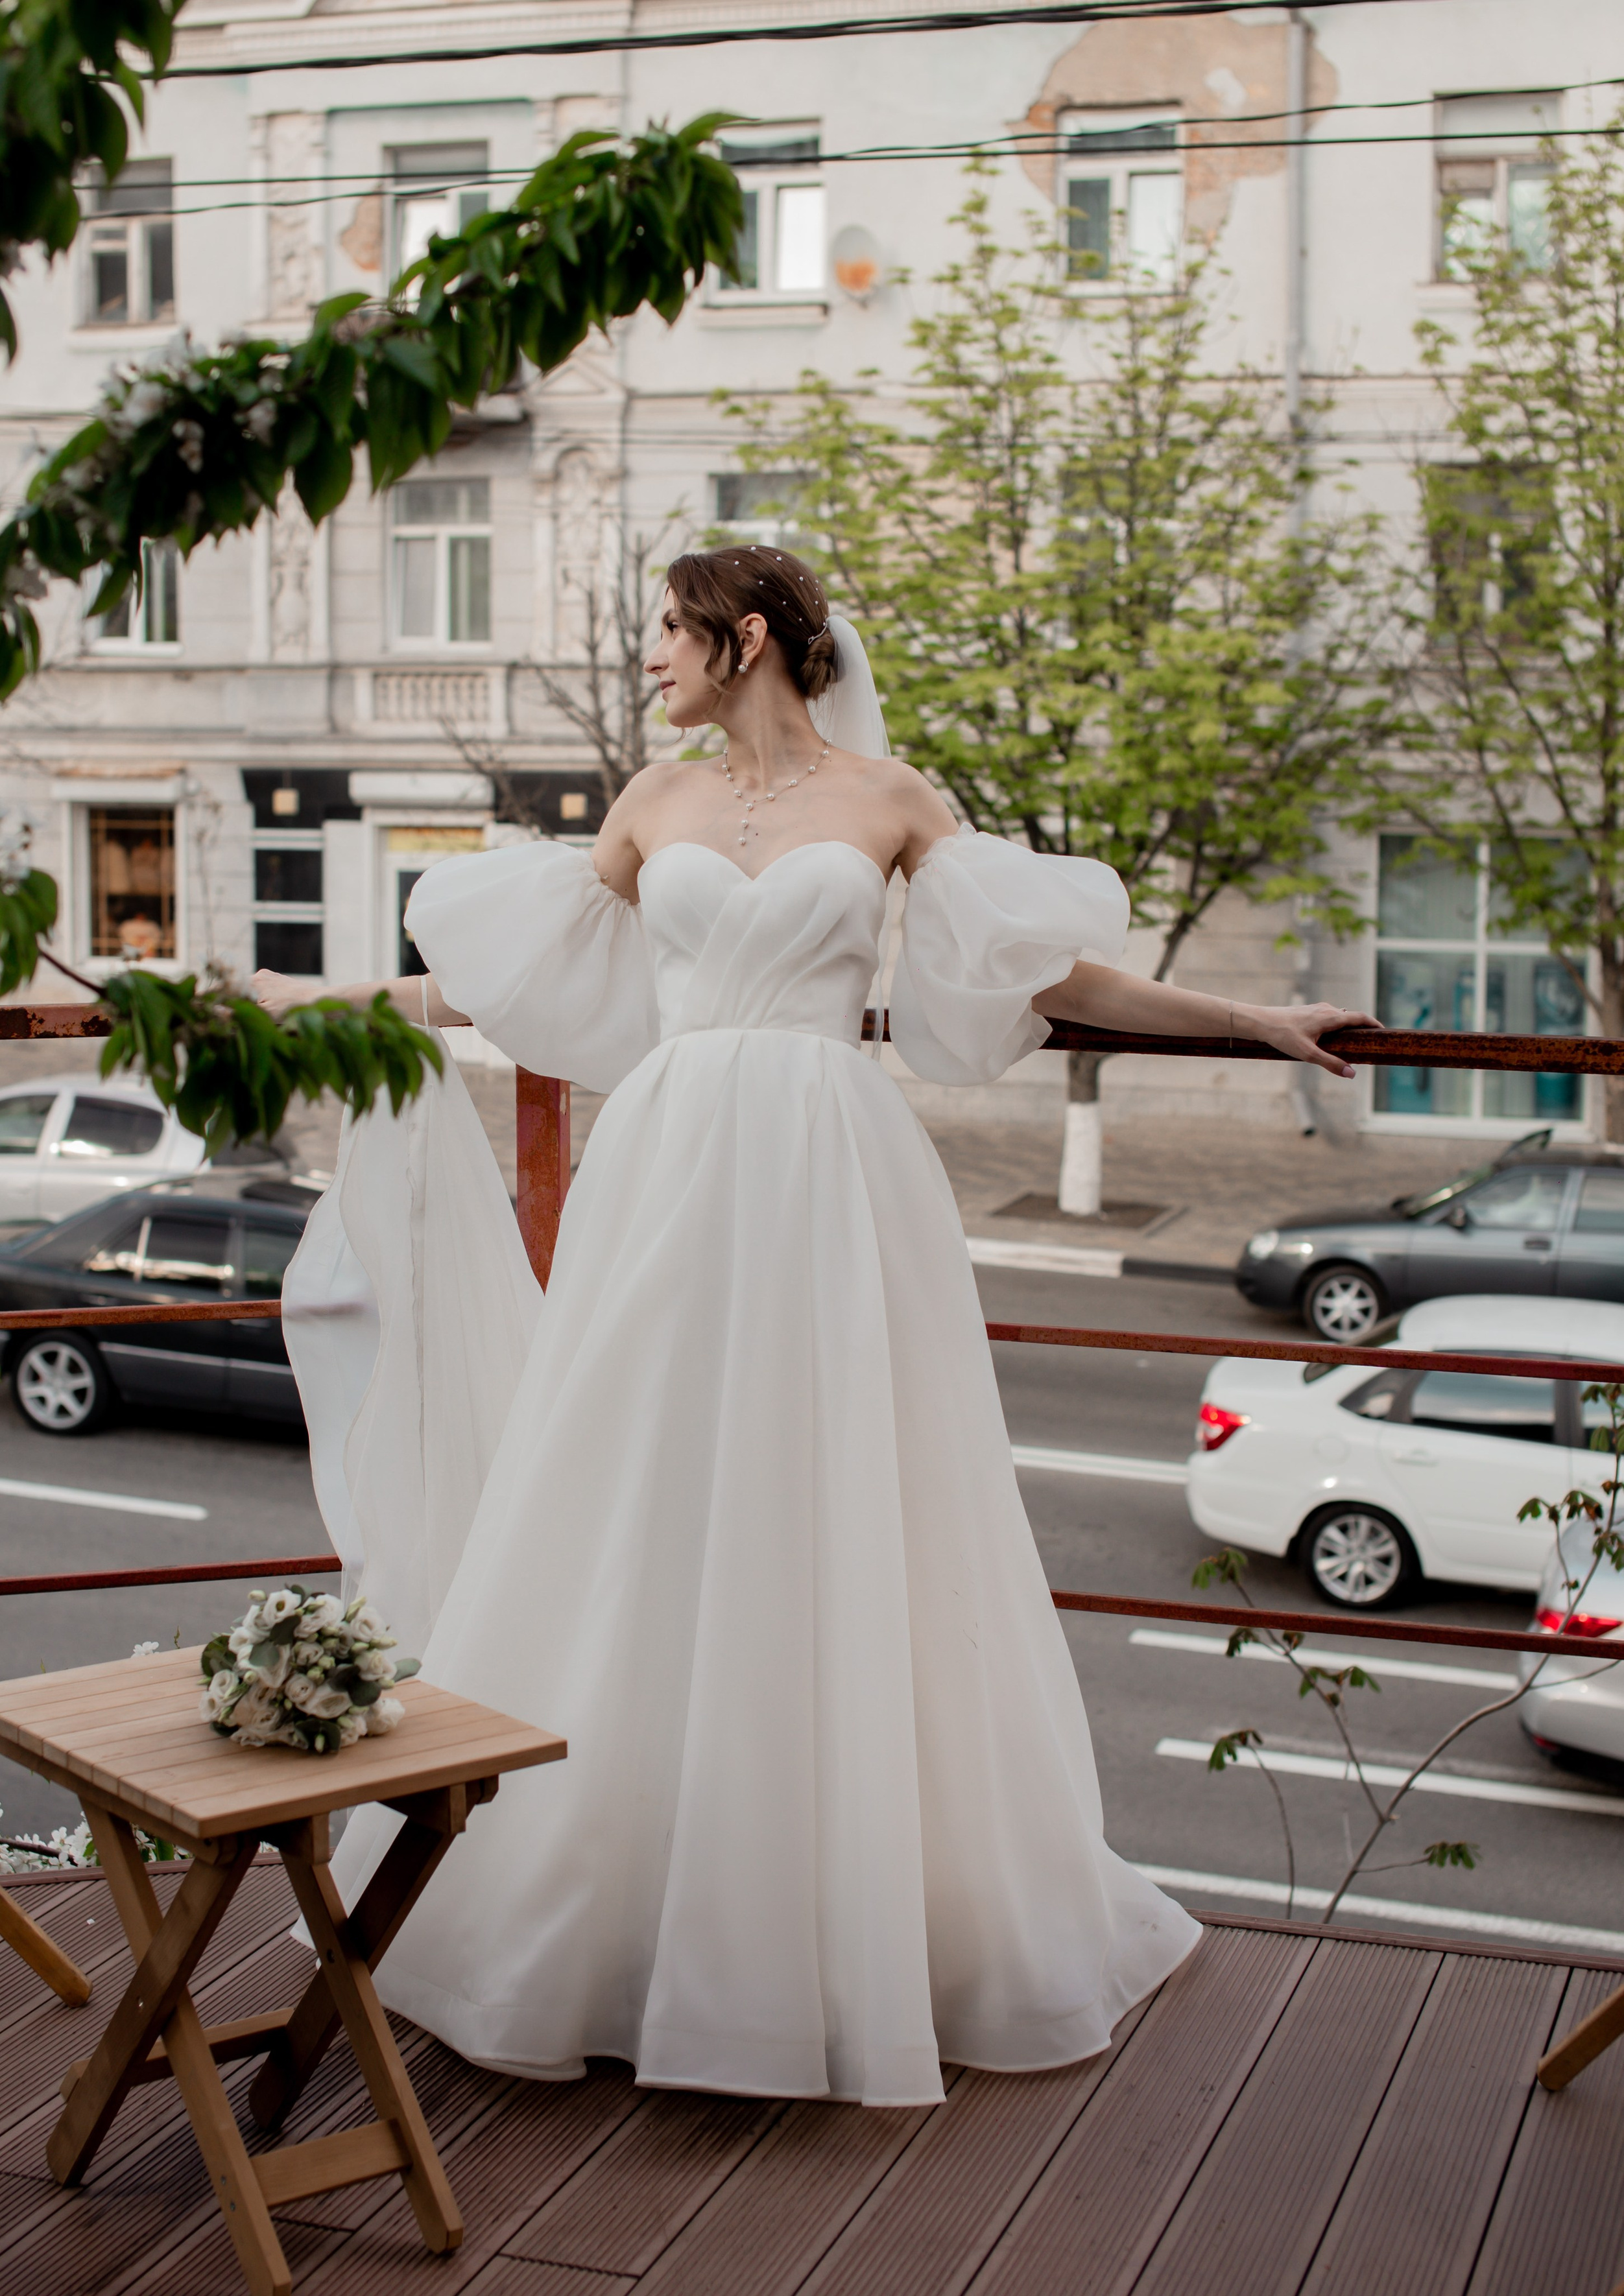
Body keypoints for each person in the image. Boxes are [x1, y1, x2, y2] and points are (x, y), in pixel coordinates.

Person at [256, 546, 1374, 2109]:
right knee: (636, 1493)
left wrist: (1251, 1017)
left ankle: (825, 1924)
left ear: (748, 637)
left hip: (834, 1178)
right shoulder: (649, 805)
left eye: (665, 628)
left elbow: (1052, 976)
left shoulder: (893, 798)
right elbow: (506, 982)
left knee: (833, 1503)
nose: (648, 654)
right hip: (664, 1168)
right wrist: (314, 1002)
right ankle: (602, 1902)